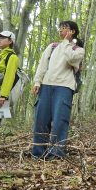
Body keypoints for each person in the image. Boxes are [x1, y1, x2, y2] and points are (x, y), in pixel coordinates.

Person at [31, 21, 85, 159]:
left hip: (65, 87)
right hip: (46, 85)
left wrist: (67, 43)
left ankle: (56, 153)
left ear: (72, 31)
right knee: (41, 119)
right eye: (60, 28)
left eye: (65, 28)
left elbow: (71, 59)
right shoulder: (52, 46)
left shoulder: (78, 50)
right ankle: (38, 152)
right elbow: (42, 65)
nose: (61, 30)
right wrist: (37, 81)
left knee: (60, 120)